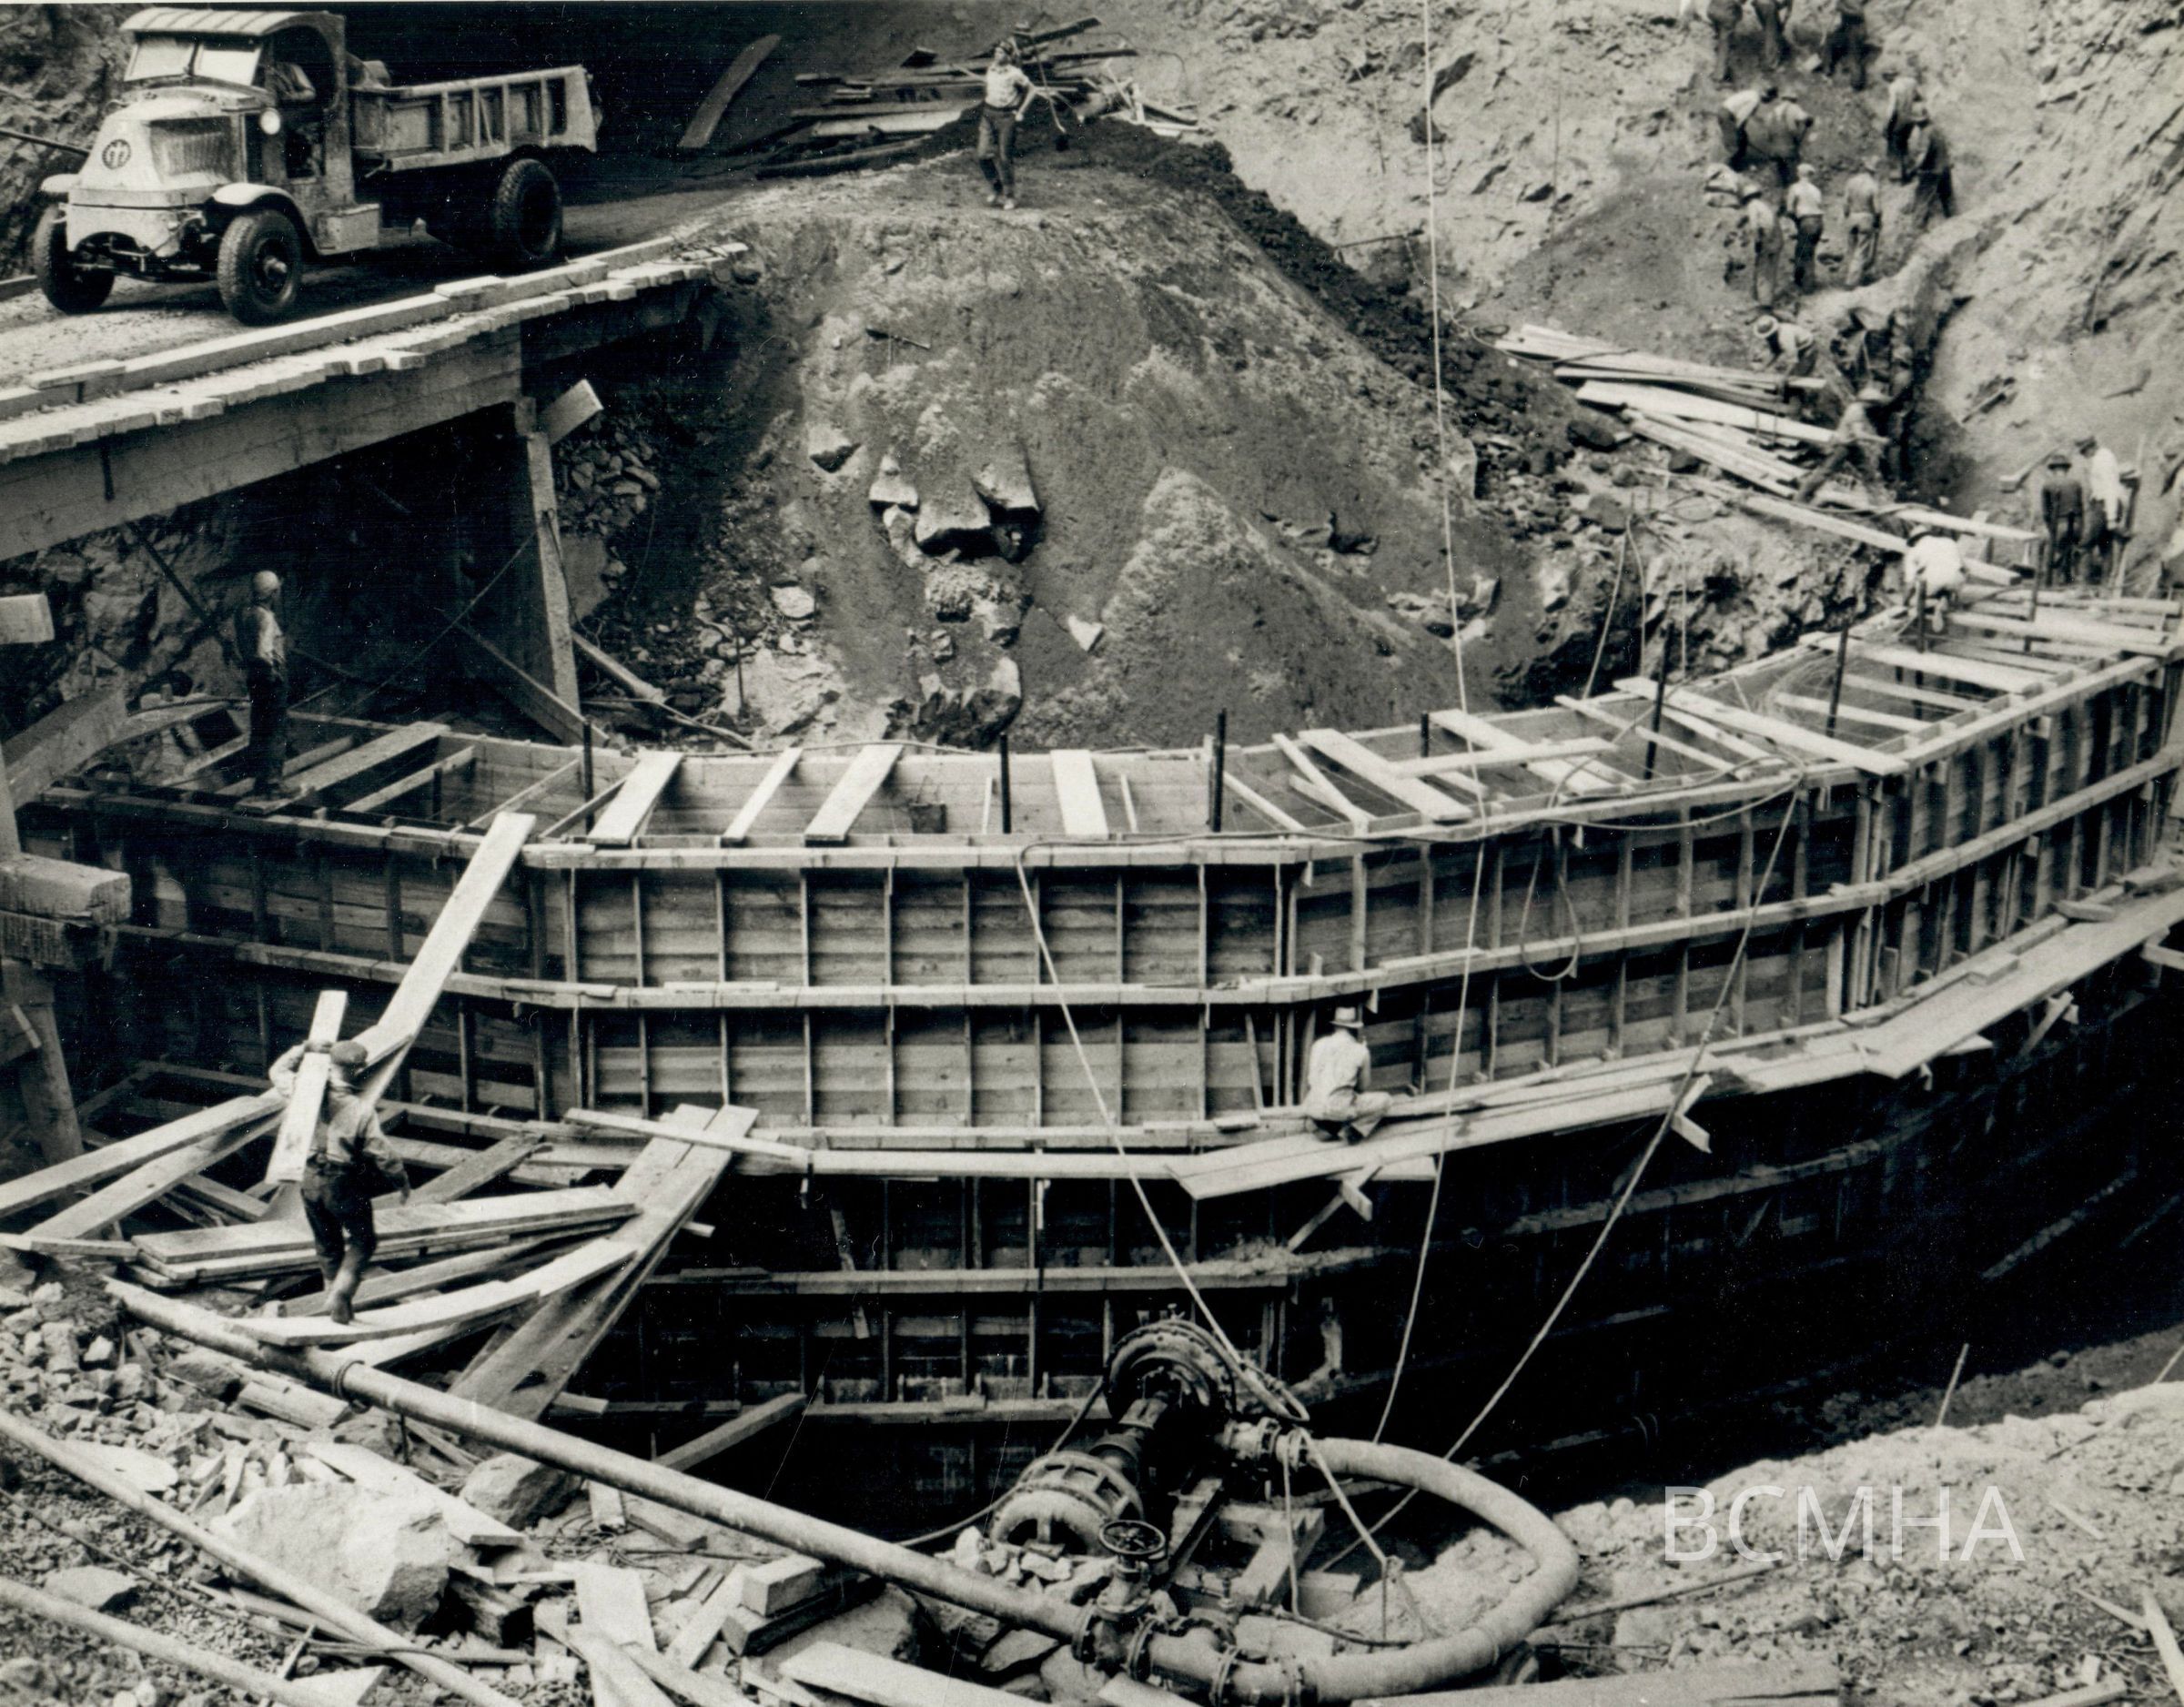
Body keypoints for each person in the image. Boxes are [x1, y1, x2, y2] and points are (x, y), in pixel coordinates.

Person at [269, 1037, 410, 1324]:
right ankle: (341, 1293)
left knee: (327, 1243)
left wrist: (304, 1048)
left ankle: (331, 1300)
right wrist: (401, 1182)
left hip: (308, 1178)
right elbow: (383, 1154)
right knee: (363, 1241)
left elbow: (277, 1071)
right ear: (358, 1069)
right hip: (341, 1182)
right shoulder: (360, 1109)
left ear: (330, 1063)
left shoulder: (303, 1092)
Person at [974, 40, 1054, 210]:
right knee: (982, 154)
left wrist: (1020, 111)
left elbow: (1033, 90)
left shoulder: (1015, 74)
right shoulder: (991, 69)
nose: (997, 55)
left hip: (1006, 117)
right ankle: (996, 188)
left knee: (1004, 157)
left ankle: (1010, 196)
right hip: (988, 115)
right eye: (996, 52)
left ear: (1009, 57)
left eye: (1001, 53)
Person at [234, 569, 289, 796]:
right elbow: (263, 652)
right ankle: (273, 784)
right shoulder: (266, 617)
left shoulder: (243, 613)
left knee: (259, 727)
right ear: (273, 593)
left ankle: (259, 780)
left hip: (253, 677)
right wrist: (274, 673)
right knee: (275, 730)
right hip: (269, 679)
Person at [1304, 1007, 1391, 1145]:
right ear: (1354, 1028)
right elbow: (1363, 1087)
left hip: (1313, 1106)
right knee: (1385, 1099)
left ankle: (1321, 1125)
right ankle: (1354, 1131)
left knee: (1330, 1100)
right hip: (1338, 1108)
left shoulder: (1318, 1044)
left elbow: (1311, 1079)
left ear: (1335, 1026)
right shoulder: (1360, 1050)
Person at [1795, 394, 1887, 500]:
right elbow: (1859, 434)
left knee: (1868, 472)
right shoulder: (1857, 411)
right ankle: (1801, 496)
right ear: (1870, 402)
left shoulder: (1855, 407)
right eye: (1875, 404)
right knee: (1825, 472)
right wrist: (1880, 440)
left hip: (1852, 445)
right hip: (1843, 446)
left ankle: (1876, 499)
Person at [1744, 84, 1811, 187]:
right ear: (1793, 99)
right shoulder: (1794, 107)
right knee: (1793, 175)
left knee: (1781, 173)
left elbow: (1767, 129)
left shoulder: (1774, 111)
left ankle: (1781, 193)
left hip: (1775, 149)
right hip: (1788, 148)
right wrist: (1809, 120)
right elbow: (1805, 118)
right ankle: (1793, 192)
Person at [2081, 433, 2126, 579]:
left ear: (2090, 448)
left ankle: (2083, 585)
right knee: (2105, 545)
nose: (2084, 455)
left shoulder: (2103, 460)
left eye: (2083, 452)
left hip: (2105, 506)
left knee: (2086, 545)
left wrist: (2111, 518)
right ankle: (2106, 584)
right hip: (2106, 504)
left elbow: (2110, 488)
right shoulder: (2103, 457)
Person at [1735, 184, 1787, 308]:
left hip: (1767, 239)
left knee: (1763, 271)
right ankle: (1767, 298)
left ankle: (1764, 303)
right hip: (1777, 238)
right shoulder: (1764, 205)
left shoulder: (1752, 206)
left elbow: (1755, 226)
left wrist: (1758, 242)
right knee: (1771, 270)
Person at [1903, 528, 1965, 631]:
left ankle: (1936, 603)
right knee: (1945, 586)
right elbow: (1964, 567)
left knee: (1913, 601)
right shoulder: (1950, 542)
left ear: (1915, 540)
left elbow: (1909, 582)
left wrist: (1905, 600)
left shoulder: (1913, 551)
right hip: (1957, 579)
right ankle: (1948, 600)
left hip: (1935, 580)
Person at [2039, 451, 2086, 583]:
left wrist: (2050, 529)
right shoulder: (2076, 483)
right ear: (2066, 469)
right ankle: (2072, 578)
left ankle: (2054, 581)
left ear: (2053, 470)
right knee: (2072, 550)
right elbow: (2081, 506)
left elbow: (2046, 513)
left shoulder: (2047, 485)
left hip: (2059, 524)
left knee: (2056, 551)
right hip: (2077, 525)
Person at [1906, 106, 1955, 226]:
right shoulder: (1937, 128)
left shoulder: (1925, 133)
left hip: (1931, 171)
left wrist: (1913, 170)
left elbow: (1922, 155)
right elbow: (1948, 147)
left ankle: (1917, 228)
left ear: (1917, 121)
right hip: (1945, 168)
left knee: (1922, 201)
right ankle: (1955, 223)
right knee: (1948, 200)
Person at [1785, 163, 1825, 291]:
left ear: (1799, 174)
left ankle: (1806, 285)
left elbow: (1790, 210)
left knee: (1803, 253)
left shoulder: (1795, 188)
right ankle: (1802, 280)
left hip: (1806, 222)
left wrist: (1796, 221)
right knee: (1808, 250)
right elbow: (1819, 206)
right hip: (1819, 222)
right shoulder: (1816, 190)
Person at [1840, 165, 1881, 286]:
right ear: (1873, 173)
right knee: (1861, 250)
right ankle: (1851, 281)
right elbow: (1878, 210)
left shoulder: (1851, 182)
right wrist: (1877, 222)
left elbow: (1845, 203)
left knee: (1851, 248)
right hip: (1866, 218)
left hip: (1852, 216)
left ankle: (1846, 275)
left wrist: (1847, 215)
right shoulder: (1873, 185)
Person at [1883, 64, 1922, 178]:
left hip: (1900, 118)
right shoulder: (1911, 81)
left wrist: (1886, 125)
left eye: (1885, 77)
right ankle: (1909, 169)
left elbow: (1892, 109)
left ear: (1889, 75)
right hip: (1911, 118)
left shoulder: (1893, 87)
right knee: (1904, 143)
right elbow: (1919, 97)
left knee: (1895, 144)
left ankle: (1899, 174)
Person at [1820, 0, 1870, 88]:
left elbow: (1858, 13)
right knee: (1830, 40)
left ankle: (1857, 85)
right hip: (1846, 29)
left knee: (1853, 57)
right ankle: (1826, 72)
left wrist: (1841, 8)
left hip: (1857, 31)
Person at [1754, 311, 1815, 377]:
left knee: (1800, 374)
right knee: (1792, 372)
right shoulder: (1773, 336)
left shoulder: (1785, 338)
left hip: (1808, 345)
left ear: (1772, 333)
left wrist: (1784, 379)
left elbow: (1793, 360)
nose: (1767, 339)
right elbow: (1774, 352)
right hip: (1797, 344)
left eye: (1768, 336)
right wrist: (1762, 367)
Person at [1720, 86, 1764, 166]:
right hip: (1727, 115)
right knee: (1734, 144)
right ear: (1766, 96)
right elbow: (1741, 117)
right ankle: (1727, 166)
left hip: (1725, 112)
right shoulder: (1755, 100)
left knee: (1742, 139)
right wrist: (1739, 131)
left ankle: (1737, 164)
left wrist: (1742, 133)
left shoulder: (1753, 93)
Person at [1706, 0, 1744, 83]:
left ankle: (1719, 42)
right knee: (1725, 44)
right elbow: (1740, 2)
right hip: (1725, 14)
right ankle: (1719, 76)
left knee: (1722, 36)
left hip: (1711, 11)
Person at [1753, 0, 1788, 67]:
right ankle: (1772, 62)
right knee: (1771, 34)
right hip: (1769, 6)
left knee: (1770, 30)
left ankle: (1775, 51)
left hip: (1758, 4)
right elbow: (1786, 10)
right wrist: (1784, 23)